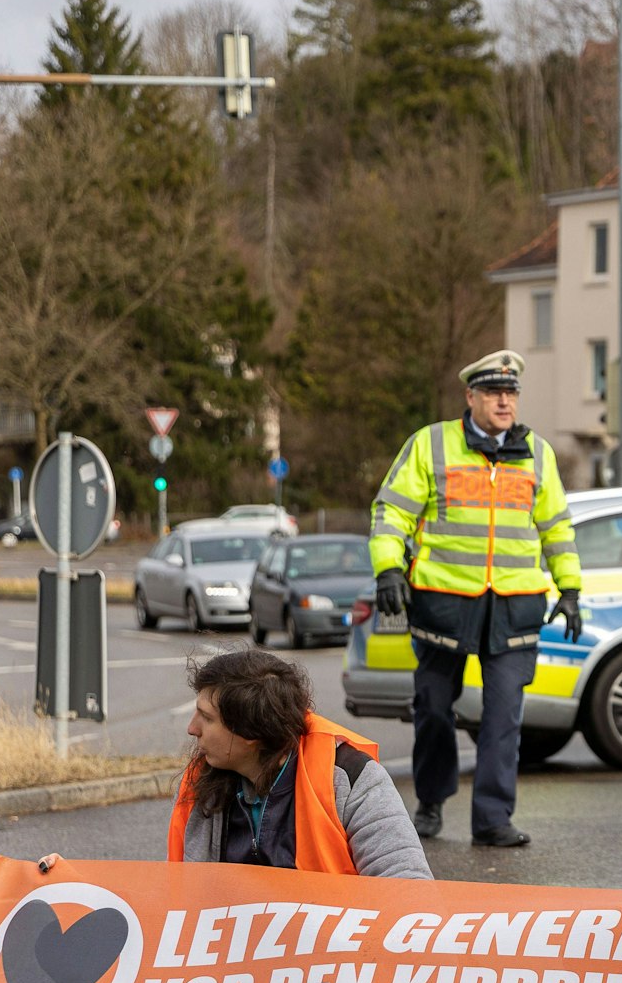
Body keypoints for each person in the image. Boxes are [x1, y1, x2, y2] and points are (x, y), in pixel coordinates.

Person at [369, 350, 583, 848]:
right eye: (493, 392)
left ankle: (492, 818)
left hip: (515, 604)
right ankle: (430, 802)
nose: (504, 401)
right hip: (444, 600)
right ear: (471, 397)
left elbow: (556, 527)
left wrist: (570, 587)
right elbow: (391, 512)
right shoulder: (431, 444)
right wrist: (387, 569)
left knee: (504, 716)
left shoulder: (538, 453)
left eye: (510, 393)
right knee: (434, 709)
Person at [170, 648, 433, 879]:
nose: (192, 728)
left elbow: (407, 888)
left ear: (251, 733)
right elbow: (179, 901)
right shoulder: (199, 785)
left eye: (206, 717)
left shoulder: (350, 778)